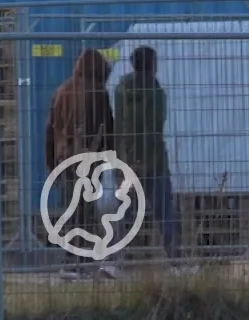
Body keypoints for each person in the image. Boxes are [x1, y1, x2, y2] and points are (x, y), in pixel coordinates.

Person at [45, 49, 115, 268]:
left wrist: (51, 163)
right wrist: (111, 158)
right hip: (89, 160)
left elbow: (50, 130)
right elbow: (108, 129)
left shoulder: (61, 91)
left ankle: (71, 258)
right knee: (87, 211)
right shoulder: (98, 93)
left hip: (64, 159)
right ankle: (84, 258)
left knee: (71, 208)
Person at [114, 46, 177, 258]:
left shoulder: (121, 91)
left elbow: (121, 126)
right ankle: (174, 258)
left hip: (126, 163)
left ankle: (113, 260)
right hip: (154, 162)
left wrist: (129, 160)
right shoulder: (156, 93)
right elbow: (155, 127)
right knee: (164, 212)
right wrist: (144, 159)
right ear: (152, 64)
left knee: (124, 212)